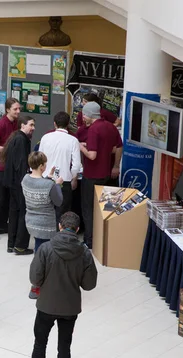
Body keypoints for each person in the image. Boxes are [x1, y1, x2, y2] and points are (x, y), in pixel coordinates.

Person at [19, 212, 97, 358]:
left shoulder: (46, 248)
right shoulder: (85, 253)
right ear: (77, 230)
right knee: (64, 348)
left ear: (60, 226)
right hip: (70, 308)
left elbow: (35, 279)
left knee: (40, 344)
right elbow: (89, 284)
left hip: (45, 305)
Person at [79, 102, 123, 249]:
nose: (83, 117)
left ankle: (89, 241)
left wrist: (80, 146)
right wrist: (116, 166)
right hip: (106, 174)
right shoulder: (111, 127)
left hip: (91, 175)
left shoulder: (93, 130)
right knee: (105, 208)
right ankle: (105, 239)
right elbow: (118, 147)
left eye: (85, 114)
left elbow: (92, 155)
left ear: (91, 115)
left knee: (88, 209)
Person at [22, 151, 64, 299]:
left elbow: (38, 187)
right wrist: (57, 185)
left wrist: (49, 179)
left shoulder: (25, 179)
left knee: (39, 251)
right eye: (45, 164)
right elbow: (58, 201)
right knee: (43, 255)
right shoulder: (49, 185)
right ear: (41, 166)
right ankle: (37, 286)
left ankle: (40, 282)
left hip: (31, 222)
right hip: (46, 225)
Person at [2, 115, 35, 255]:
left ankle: (11, 244)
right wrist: (26, 181)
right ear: (23, 125)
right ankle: (20, 245)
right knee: (23, 213)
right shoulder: (22, 140)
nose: (33, 128)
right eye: (31, 125)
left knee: (14, 212)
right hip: (19, 183)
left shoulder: (16, 138)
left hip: (12, 182)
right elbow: (21, 164)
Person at [0, 98, 20, 240]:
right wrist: (9, 149)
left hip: (11, 166)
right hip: (0, 167)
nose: (18, 111)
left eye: (19, 109)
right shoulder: (0, 125)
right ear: (7, 110)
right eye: (15, 109)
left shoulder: (17, 124)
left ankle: (2, 224)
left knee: (7, 197)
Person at [38, 111, 81, 221]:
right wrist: (72, 177)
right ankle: (59, 235)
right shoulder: (73, 140)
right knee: (63, 211)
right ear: (68, 124)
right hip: (64, 181)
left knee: (46, 209)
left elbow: (39, 159)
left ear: (54, 124)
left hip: (46, 178)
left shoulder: (45, 137)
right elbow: (76, 165)